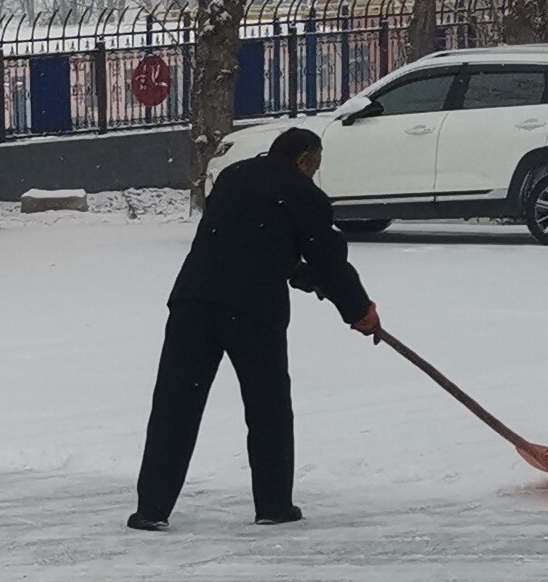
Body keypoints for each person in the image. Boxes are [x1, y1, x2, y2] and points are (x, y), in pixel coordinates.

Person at [130, 123, 380, 530]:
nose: (315, 172)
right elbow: (328, 261)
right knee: (268, 409)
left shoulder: (235, 175)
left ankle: (151, 509)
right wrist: (358, 311)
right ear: (303, 160)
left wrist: (294, 270)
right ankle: (273, 505)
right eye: (315, 164)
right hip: (252, 312)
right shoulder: (304, 194)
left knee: (175, 406)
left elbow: (244, 234)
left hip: (194, 301)